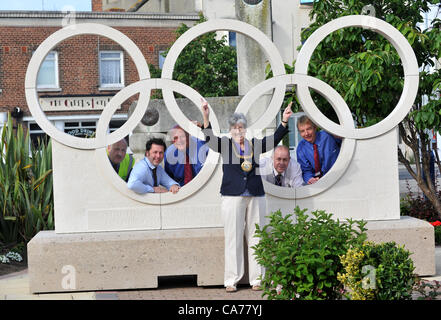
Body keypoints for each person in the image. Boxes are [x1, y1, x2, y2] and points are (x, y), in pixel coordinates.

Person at [201, 98, 292, 292]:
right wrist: (206, 116)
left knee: (256, 236)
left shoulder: (255, 144)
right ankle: (231, 280)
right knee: (232, 237)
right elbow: (210, 139)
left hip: (256, 194)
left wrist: (284, 121)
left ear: (245, 129)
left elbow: (274, 140)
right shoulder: (225, 144)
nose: (238, 131)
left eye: (241, 127)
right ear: (231, 130)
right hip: (232, 195)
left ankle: (257, 279)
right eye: (235, 128)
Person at [296, 115, 342, 185]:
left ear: (315, 128)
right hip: (319, 184)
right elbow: (306, 170)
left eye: (308, 129)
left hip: (340, 177)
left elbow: (345, 142)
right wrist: (310, 179)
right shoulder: (301, 148)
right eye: (302, 131)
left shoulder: (328, 135)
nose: (306, 133)